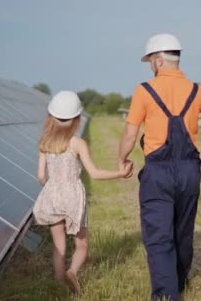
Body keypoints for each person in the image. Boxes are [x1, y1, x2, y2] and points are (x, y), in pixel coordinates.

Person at [118, 33, 201, 301]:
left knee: (159, 236)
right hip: (189, 172)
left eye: (150, 61)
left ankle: (168, 295)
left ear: (157, 61)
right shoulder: (199, 91)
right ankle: (180, 281)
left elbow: (130, 135)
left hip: (158, 173)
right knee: (183, 232)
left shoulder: (144, 90)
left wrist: (123, 159)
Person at [33, 90, 133, 295]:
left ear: (52, 117)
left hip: (53, 195)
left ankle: (59, 282)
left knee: (59, 246)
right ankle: (72, 271)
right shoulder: (77, 143)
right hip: (72, 197)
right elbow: (94, 173)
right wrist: (120, 174)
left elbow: (41, 176)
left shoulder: (45, 142)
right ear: (77, 119)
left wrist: (53, 187)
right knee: (82, 245)